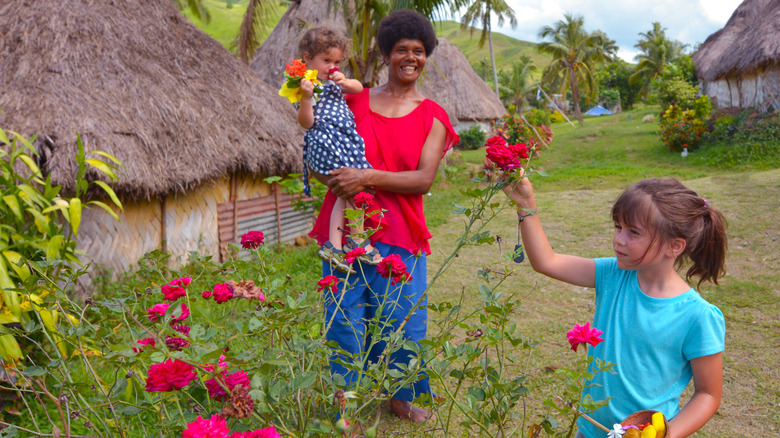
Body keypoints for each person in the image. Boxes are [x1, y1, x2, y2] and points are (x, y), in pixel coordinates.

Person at [308, 10, 458, 423]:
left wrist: (366, 176)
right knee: (344, 317)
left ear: (426, 56)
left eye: (419, 51)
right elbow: (319, 151)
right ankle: (346, 406)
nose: (410, 58)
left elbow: (424, 179)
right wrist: (338, 181)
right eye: (401, 51)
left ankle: (401, 397)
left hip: (401, 233)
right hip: (346, 232)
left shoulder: (434, 116)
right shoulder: (352, 100)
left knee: (403, 319)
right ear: (386, 54)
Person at [503, 176, 726, 438]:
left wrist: (665, 435)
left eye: (634, 232)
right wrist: (526, 204)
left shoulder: (697, 316)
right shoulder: (612, 274)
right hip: (589, 430)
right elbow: (546, 261)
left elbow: (708, 394)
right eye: (618, 227)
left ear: (674, 246)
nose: (619, 239)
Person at [296, 27, 382, 273]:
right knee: (353, 188)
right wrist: (305, 97)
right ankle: (357, 241)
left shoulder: (336, 81)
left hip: (344, 141)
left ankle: (334, 246)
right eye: (326, 61)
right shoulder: (304, 85)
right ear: (307, 58)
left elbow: (357, 88)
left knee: (344, 192)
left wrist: (344, 80)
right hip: (325, 141)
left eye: (336, 61)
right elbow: (306, 122)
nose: (331, 66)